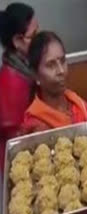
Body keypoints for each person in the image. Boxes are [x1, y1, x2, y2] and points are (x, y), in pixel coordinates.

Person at [19, 32, 87, 134]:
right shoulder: (36, 124)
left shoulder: (80, 106)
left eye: (62, 61)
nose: (61, 71)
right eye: (51, 65)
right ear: (35, 74)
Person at [0, 3, 38, 171]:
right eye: (34, 35)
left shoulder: (26, 68)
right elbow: (16, 136)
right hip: (15, 163)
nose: (40, 40)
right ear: (17, 41)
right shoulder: (12, 81)